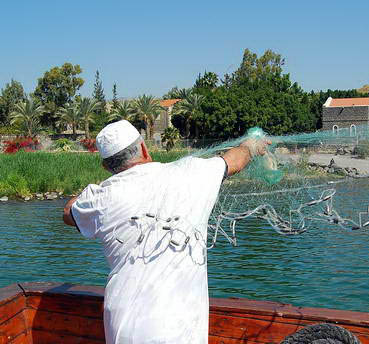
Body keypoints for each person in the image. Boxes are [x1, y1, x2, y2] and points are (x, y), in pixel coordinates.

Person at [63, 120, 269, 343]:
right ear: (143, 148)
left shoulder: (101, 197)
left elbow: (68, 213)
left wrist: (96, 191)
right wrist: (251, 145)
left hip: (123, 329)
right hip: (178, 330)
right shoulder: (192, 172)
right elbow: (234, 161)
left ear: (106, 167)